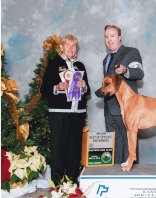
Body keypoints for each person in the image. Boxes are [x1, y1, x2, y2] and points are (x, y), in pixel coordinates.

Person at [40, 34, 91, 185]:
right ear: (61, 47)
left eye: (73, 45)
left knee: (74, 148)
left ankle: (72, 181)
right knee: (58, 148)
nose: (70, 48)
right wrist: (57, 87)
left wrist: (84, 86)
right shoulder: (54, 63)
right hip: (59, 113)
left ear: (76, 48)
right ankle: (56, 182)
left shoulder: (80, 66)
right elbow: (44, 89)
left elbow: (87, 91)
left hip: (78, 113)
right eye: (67, 45)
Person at [102, 25, 144, 164]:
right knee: (115, 149)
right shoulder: (106, 59)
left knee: (129, 144)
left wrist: (126, 70)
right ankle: (115, 179)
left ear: (119, 37)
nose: (109, 39)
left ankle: (131, 179)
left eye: (112, 36)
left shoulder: (131, 52)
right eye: (106, 37)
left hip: (127, 107)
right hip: (109, 109)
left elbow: (139, 73)